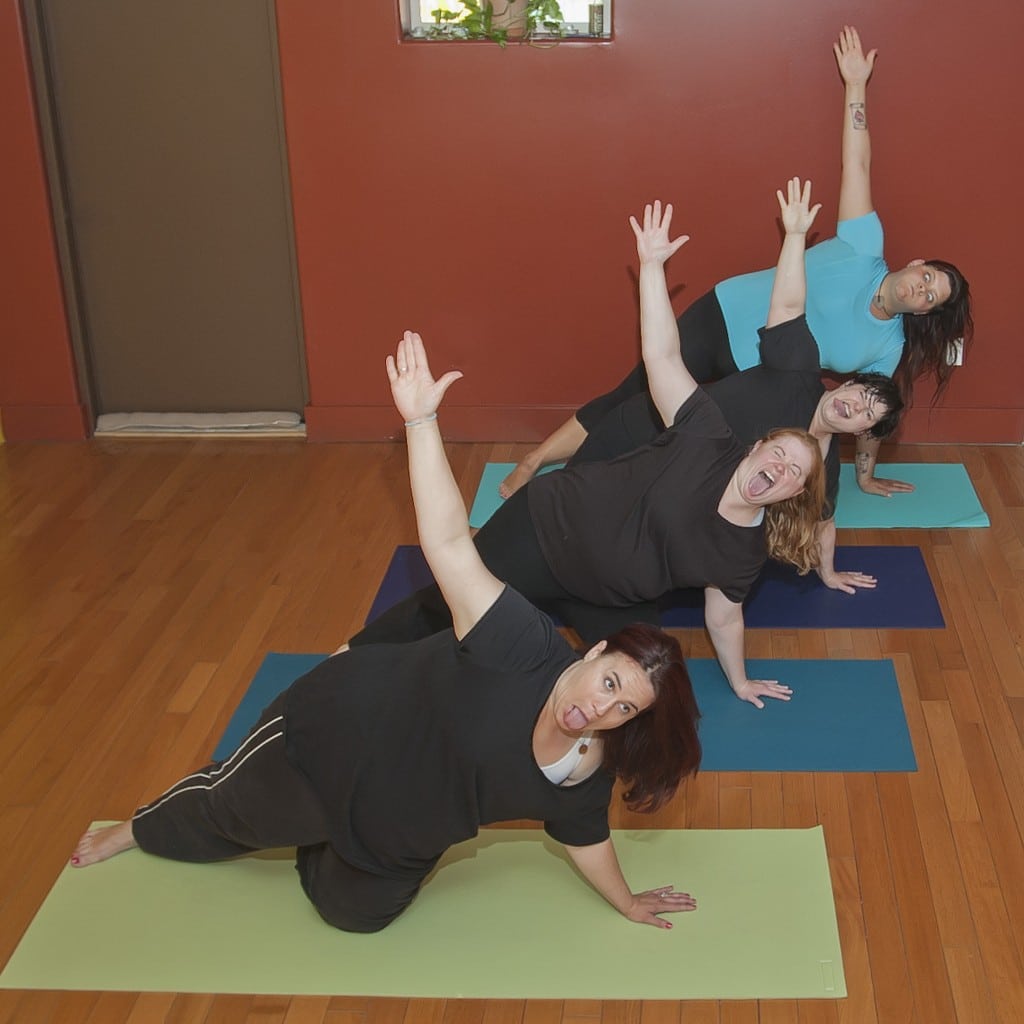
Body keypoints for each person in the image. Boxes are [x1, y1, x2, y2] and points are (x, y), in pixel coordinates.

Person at [70, 332, 702, 934]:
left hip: (403, 824)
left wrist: (627, 904)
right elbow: (451, 543)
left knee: (356, 919)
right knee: (225, 818)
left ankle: (320, 840)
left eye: (623, 708)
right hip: (336, 738)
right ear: (594, 652)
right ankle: (141, 827)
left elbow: (586, 839)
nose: (600, 705)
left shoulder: (586, 771)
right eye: (610, 680)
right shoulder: (519, 643)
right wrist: (422, 424)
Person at [349, 200, 826, 709]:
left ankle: (564, 716)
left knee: (649, 685)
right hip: (543, 534)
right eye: (778, 453)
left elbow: (725, 617)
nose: (780, 468)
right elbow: (662, 355)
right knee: (449, 616)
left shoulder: (744, 552)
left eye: (794, 472)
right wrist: (651, 267)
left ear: (794, 493)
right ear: (757, 447)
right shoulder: (706, 435)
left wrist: (740, 681)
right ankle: (348, 661)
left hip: (610, 598)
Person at [499, 25, 971, 502]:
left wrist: (865, 474)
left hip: (758, 376)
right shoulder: (865, 243)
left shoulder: (886, 346)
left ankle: (619, 501)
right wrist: (854, 85)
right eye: (927, 277)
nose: (921, 289)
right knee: (635, 398)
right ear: (914, 264)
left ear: (925, 313)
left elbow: (874, 409)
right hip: (723, 313)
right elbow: (858, 164)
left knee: (687, 439)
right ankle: (535, 460)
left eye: (931, 297)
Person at [564, 178, 905, 595]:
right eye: (861, 396)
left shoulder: (821, 465)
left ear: (861, 433)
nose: (856, 408)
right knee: (563, 514)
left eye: (869, 415)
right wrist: (795, 236)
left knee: (596, 549)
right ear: (846, 384)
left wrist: (829, 573)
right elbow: (788, 305)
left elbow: (824, 521)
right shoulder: (797, 370)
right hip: (639, 433)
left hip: (660, 489)